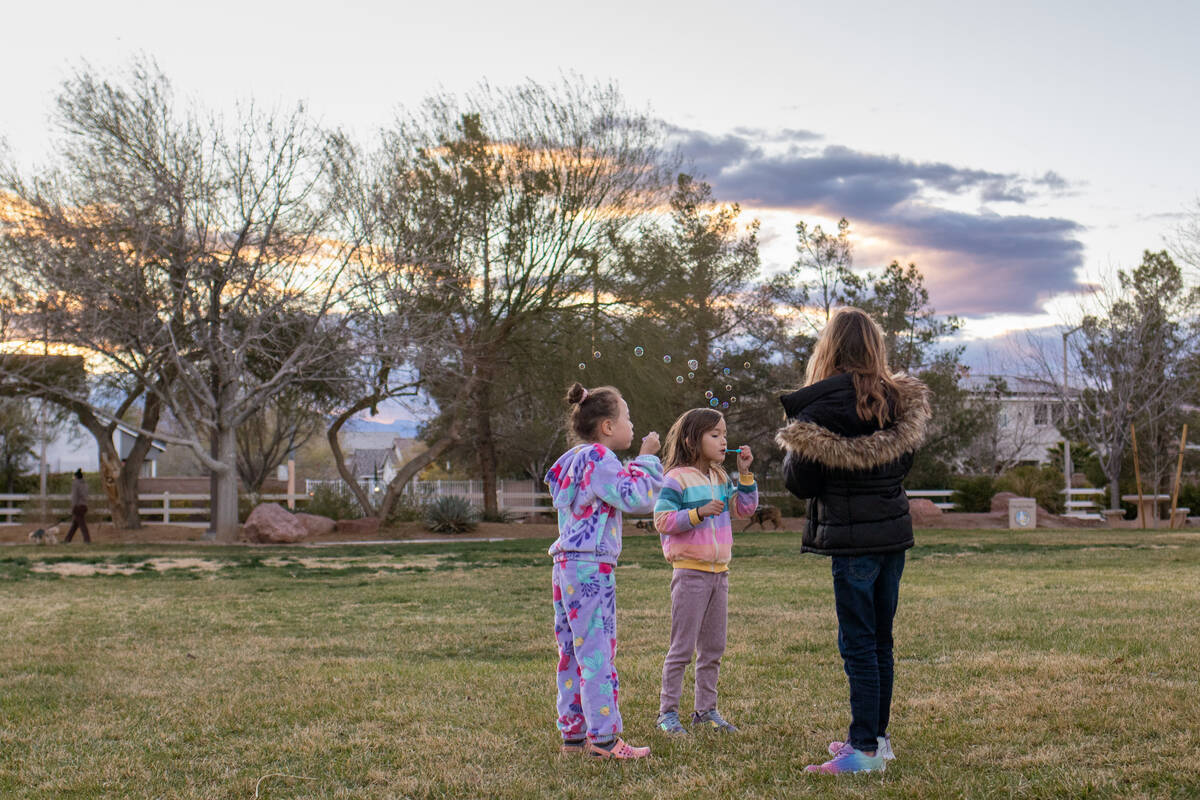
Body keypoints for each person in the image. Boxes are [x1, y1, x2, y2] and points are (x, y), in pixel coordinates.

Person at [776, 307, 930, 775]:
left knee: (858, 643)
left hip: (852, 543)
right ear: (875, 347)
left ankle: (862, 749)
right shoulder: (899, 401)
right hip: (892, 537)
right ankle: (876, 738)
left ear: (830, 348)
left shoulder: (818, 407)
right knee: (880, 640)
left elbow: (801, 483)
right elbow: (903, 467)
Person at [545, 382, 663, 759]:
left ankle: (574, 738)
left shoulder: (574, 461)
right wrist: (646, 458)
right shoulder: (600, 457)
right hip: (591, 568)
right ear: (608, 427)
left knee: (572, 652)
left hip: (565, 567)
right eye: (627, 418)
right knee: (597, 652)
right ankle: (606, 741)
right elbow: (637, 498)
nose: (632, 425)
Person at [652, 408, 757, 736]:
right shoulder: (676, 479)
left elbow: (745, 509)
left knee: (713, 647)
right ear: (691, 440)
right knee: (682, 647)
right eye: (715, 435)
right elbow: (663, 521)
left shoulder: (722, 478)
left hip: (719, 574)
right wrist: (697, 514)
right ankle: (667, 713)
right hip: (690, 574)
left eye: (725, 434)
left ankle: (706, 711)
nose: (724, 440)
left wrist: (746, 475)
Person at [64, 469, 91, 544]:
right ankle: (67, 539)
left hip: (78, 506)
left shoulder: (75, 484)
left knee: (82, 524)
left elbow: (75, 496)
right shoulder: (85, 484)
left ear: (76, 476)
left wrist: (73, 507)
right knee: (75, 525)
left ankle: (87, 540)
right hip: (84, 506)